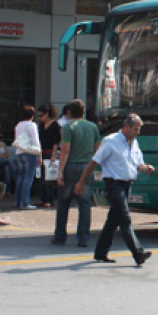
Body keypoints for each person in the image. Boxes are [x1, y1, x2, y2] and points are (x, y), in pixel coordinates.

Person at [75, 114, 155, 266]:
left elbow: (138, 162)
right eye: (135, 129)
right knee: (125, 219)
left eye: (139, 129)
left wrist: (146, 168)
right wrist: (81, 182)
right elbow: (93, 162)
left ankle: (100, 252)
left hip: (127, 185)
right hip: (114, 185)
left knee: (113, 220)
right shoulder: (110, 141)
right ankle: (138, 253)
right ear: (126, 127)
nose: (138, 132)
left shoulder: (133, 142)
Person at [52, 99, 101, 247]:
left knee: (63, 202)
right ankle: (83, 238)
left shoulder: (68, 127)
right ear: (84, 111)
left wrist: (60, 172)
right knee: (85, 203)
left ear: (69, 112)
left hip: (71, 166)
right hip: (86, 166)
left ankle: (60, 236)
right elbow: (97, 149)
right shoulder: (93, 127)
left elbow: (65, 151)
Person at [12, 106, 41, 210]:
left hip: (19, 152)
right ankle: (25, 202)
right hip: (30, 152)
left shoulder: (18, 125)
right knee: (28, 178)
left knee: (20, 177)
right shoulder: (31, 125)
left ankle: (17, 201)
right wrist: (39, 154)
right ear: (32, 115)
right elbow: (35, 140)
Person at [36, 104, 61, 207]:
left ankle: (49, 200)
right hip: (41, 152)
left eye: (41, 115)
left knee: (49, 177)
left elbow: (56, 141)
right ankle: (43, 199)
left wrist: (53, 154)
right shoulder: (40, 126)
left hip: (50, 152)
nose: (40, 118)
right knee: (41, 177)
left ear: (47, 114)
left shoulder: (55, 125)